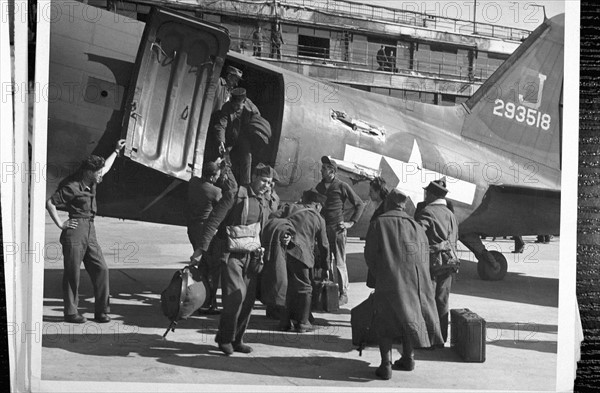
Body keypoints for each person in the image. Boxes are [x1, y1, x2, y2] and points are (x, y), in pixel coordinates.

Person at [192, 164, 277, 355]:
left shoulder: (266, 200)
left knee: (247, 301)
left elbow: (269, 224)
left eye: (269, 182)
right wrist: (200, 249)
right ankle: (225, 339)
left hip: (252, 256)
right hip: (231, 255)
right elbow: (213, 221)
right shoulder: (235, 194)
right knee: (235, 297)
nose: (266, 185)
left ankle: (237, 339)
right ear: (254, 176)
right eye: (263, 180)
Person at [364, 189, 443, 379]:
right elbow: (424, 257)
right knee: (409, 319)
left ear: (388, 204)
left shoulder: (379, 223)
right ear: (403, 206)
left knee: (385, 321)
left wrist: (381, 274)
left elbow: (370, 255)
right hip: (413, 283)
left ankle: (386, 365)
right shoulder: (416, 226)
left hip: (388, 281)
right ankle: (408, 358)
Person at [45, 139, 126, 324]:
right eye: (98, 172)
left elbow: (105, 168)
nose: (101, 175)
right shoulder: (72, 186)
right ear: (89, 172)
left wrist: (116, 150)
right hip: (75, 232)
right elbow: (50, 203)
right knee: (73, 272)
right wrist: (61, 224)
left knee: (102, 269)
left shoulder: (92, 180)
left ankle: (101, 312)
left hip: (90, 230)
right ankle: (71, 312)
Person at [271, 188, 330, 333]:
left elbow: (272, 217)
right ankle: (303, 323)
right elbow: (324, 245)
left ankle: (284, 322)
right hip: (302, 256)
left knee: (287, 287)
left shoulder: (289, 208)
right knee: (305, 288)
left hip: (283, 252)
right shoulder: (318, 218)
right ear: (316, 205)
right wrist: (325, 265)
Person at [187, 159, 237, 314]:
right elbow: (228, 199)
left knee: (202, 266)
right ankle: (208, 302)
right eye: (217, 175)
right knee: (212, 268)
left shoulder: (193, 183)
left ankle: (203, 299)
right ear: (213, 176)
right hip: (205, 232)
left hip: (192, 229)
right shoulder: (215, 192)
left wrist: (215, 164)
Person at [414, 177, 459, 345]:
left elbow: (417, 235)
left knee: (428, 301)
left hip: (432, 264)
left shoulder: (427, 212)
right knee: (443, 301)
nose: (425, 195)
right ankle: (442, 338)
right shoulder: (451, 215)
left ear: (432, 195)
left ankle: (431, 339)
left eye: (427, 192)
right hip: (450, 264)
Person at [316, 156, 365, 306]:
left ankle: (343, 293)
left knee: (339, 262)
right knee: (326, 260)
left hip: (337, 228)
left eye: (324, 168)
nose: (321, 170)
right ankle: (329, 292)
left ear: (332, 171)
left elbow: (359, 204)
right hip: (323, 228)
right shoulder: (319, 187)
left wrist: (351, 223)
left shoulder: (342, 186)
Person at [211, 87, 261, 184]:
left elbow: (258, 121)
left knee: (247, 157)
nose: (235, 108)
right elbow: (221, 125)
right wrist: (221, 141)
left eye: (238, 106)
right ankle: (221, 182)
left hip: (244, 138)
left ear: (244, 101)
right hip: (230, 139)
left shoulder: (250, 107)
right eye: (233, 105)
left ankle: (245, 185)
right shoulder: (226, 107)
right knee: (223, 157)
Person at [365, 176, 389, 288]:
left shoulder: (385, 209)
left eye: (371, 191)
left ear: (378, 191)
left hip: (382, 254)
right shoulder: (381, 206)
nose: (369, 194)